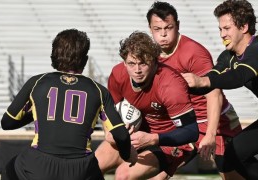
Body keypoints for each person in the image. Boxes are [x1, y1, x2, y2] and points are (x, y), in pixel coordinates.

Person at [0, 29, 137, 180]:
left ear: (54, 55)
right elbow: (121, 135)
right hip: (81, 169)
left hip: (39, 164)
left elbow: (7, 122)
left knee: (10, 169)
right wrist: (127, 155)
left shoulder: (37, 82)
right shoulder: (99, 90)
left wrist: (36, 112)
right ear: (84, 59)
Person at [146, 2, 244, 180]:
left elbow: (214, 94)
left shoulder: (193, 52)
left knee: (232, 175)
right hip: (183, 124)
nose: (163, 34)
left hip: (216, 122)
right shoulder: (150, 56)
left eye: (168, 27)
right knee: (144, 175)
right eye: (157, 29)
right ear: (150, 29)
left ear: (178, 25)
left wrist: (211, 134)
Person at [95, 31, 199, 179]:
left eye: (143, 63)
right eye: (131, 63)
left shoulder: (170, 84)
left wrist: (152, 139)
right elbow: (108, 111)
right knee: (92, 165)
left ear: (155, 61)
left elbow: (191, 131)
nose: (137, 70)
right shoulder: (118, 74)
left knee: (123, 175)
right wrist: (109, 132)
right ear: (124, 62)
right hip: (135, 135)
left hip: (167, 141)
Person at [182, 0, 258, 179]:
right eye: (220, 29)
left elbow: (240, 76)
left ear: (244, 26)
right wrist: (179, 87)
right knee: (233, 155)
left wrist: (202, 81)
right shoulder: (227, 56)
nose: (222, 34)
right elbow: (212, 80)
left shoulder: (256, 49)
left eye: (227, 28)